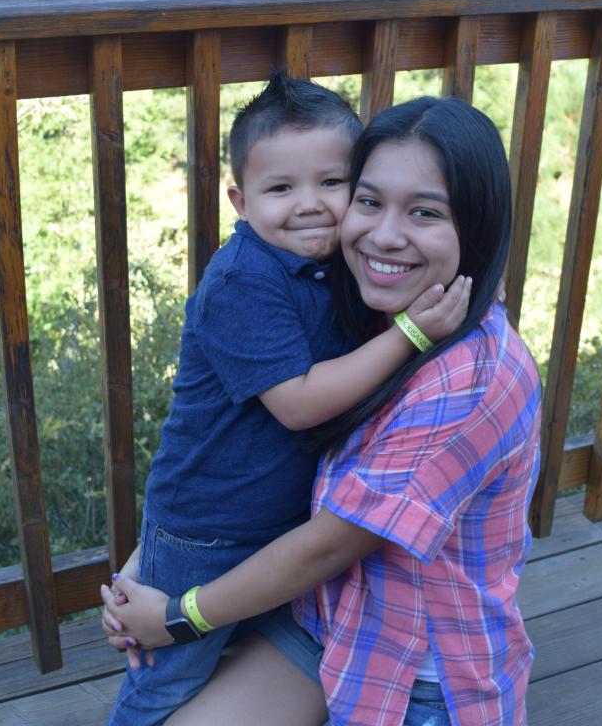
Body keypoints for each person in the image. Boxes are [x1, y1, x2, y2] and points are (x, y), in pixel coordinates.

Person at [103, 96, 542, 726]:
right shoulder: (361, 298)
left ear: (477, 224)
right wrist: (151, 561)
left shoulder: (470, 379)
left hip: (412, 670)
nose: (384, 234)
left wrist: (176, 616)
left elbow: (327, 546)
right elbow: (221, 444)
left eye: (424, 212)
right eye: (369, 200)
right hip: (321, 620)